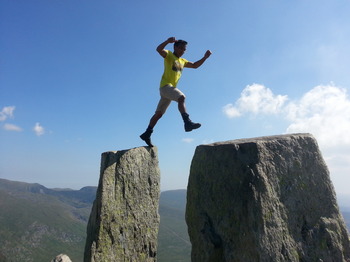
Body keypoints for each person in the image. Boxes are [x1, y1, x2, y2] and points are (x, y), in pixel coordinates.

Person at [140, 37, 212, 147]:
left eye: (184, 49)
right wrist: (167, 42)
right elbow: (158, 49)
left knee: (159, 114)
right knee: (181, 97)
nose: (183, 51)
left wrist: (205, 57)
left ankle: (147, 133)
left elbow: (195, 65)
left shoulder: (182, 61)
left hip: (168, 91)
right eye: (181, 48)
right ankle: (187, 122)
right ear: (175, 47)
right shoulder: (169, 55)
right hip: (166, 87)